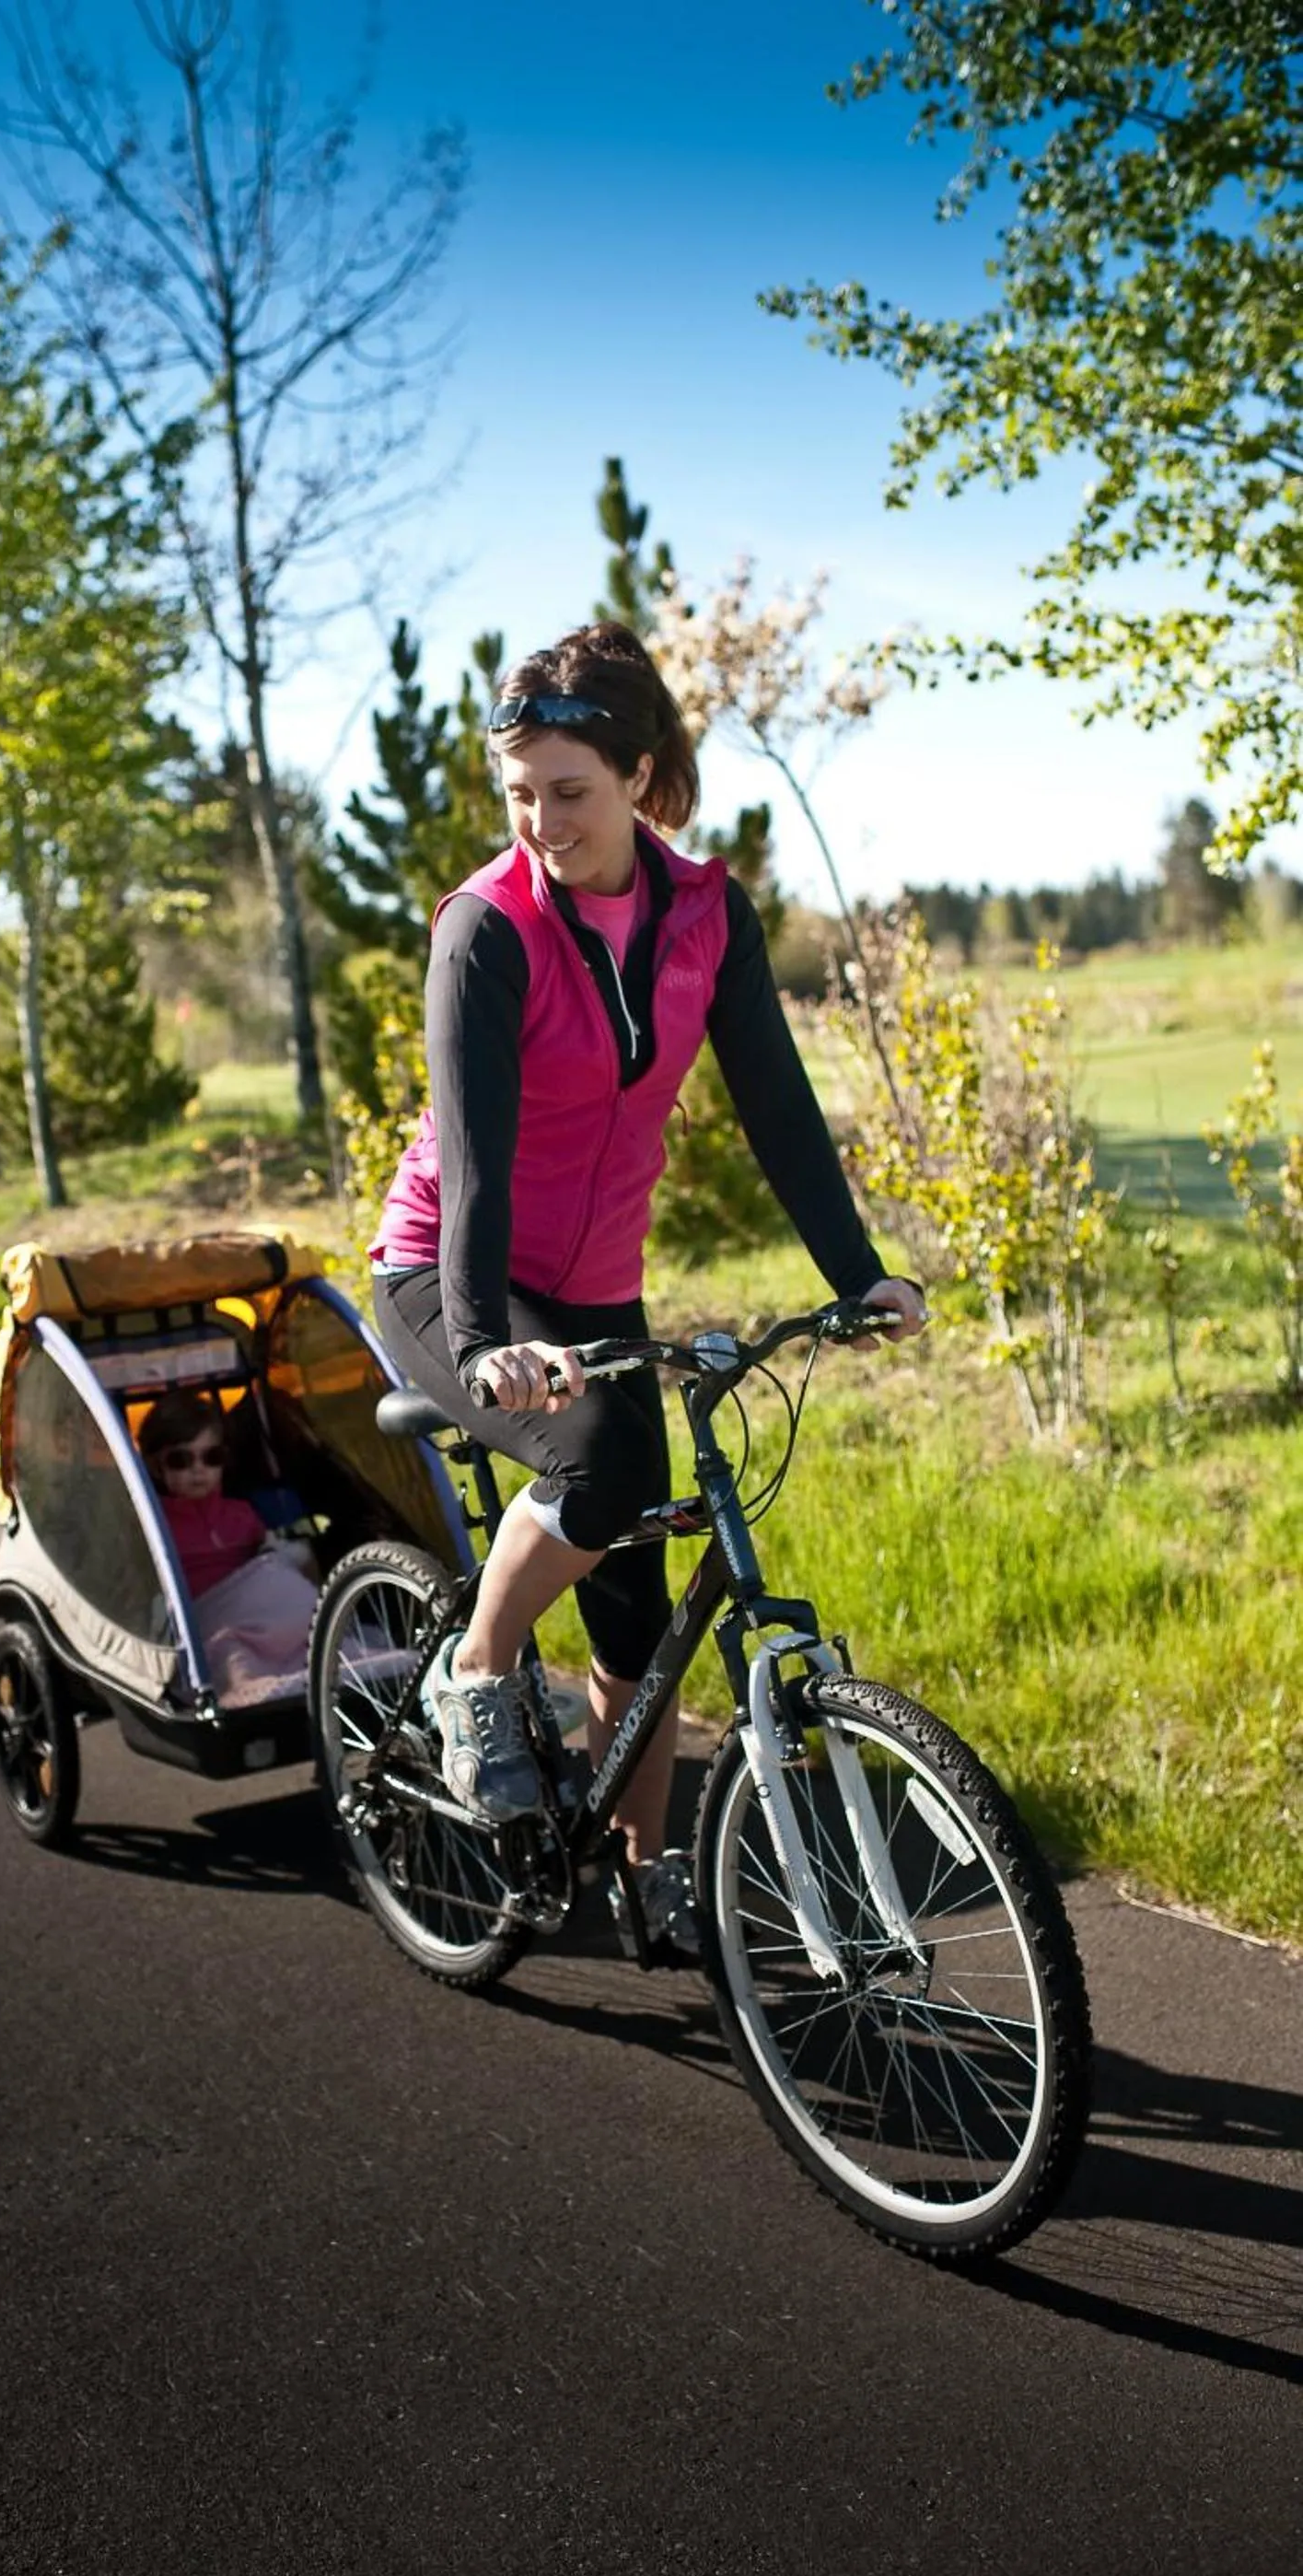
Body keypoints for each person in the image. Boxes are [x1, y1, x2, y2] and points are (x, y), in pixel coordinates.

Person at [369, 621, 926, 1957]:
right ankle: (481, 1672)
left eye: (569, 792)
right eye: (519, 797)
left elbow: (779, 1111)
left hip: (595, 1289)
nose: (542, 823)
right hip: (451, 1280)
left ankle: (641, 1871)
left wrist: (863, 1279)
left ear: (638, 777)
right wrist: (491, 1341)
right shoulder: (485, 931)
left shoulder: (705, 915)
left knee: (635, 1589)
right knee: (607, 1467)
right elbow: (479, 1163)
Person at [138, 1392, 319, 1705]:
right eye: (181, 1460)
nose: (199, 1469)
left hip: (259, 1618)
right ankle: (256, 1690)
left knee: (296, 1588)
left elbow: (268, 1568)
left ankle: (326, 1656)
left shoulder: (242, 1513)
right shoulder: (155, 1525)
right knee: (229, 1650)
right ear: (157, 1468)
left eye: (212, 1457)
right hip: (208, 1624)